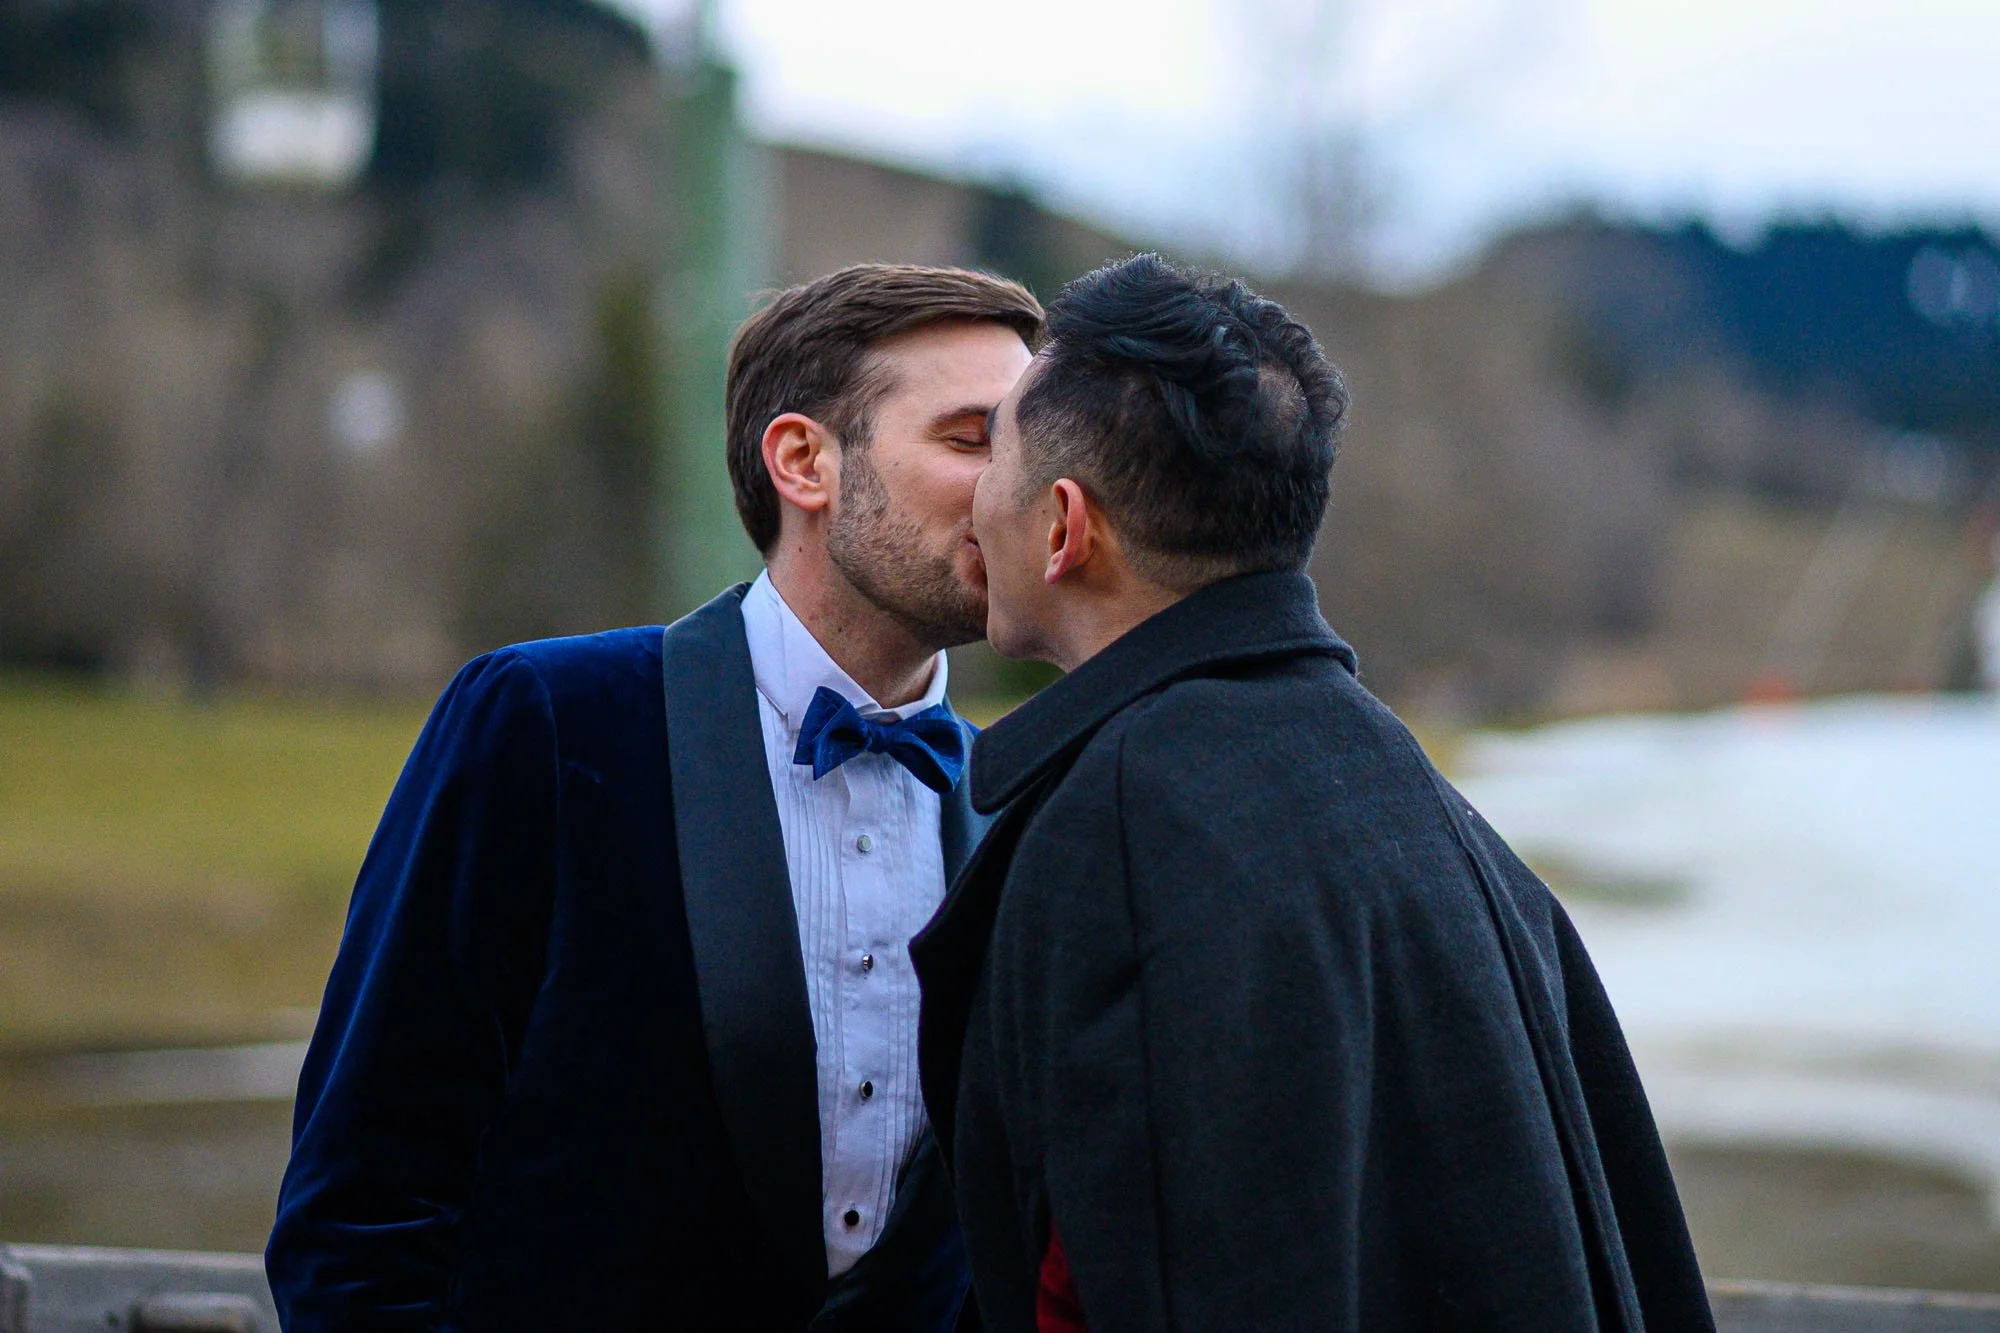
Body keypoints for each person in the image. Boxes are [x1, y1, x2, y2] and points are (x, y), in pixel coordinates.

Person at [911, 254, 1715, 1332]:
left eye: (992, 453)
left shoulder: (1123, 837)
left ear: (1063, 526)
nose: (972, 502)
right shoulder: (1417, 800)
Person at [267, 264, 1043, 1331]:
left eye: (1028, 452)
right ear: (803, 461)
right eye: (969, 440)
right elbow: (359, 1205)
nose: (1017, 491)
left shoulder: (1023, 806)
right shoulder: (548, 723)